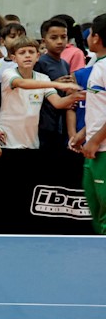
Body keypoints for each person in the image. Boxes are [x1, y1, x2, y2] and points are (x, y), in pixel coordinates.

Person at [0, 36, 83, 150]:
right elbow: (23, 83)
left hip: (32, 141)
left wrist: (76, 96)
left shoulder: (43, 78)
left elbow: (58, 103)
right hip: (7, 140)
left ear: (38, 56)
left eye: (31, 52)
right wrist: (57, 84)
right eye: (22, 53)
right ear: (14, 58)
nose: (27, 55)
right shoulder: (9, 73)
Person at [69, 13, 106, 233]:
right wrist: (84, 134)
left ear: (97, 38)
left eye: (91, 33)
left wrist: (95, 140)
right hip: (94, 148)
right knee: (97, 211)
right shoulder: (98, 66)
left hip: (103, 150)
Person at [34, 18, 75, 150]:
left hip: (60, 123)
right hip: (43, 123)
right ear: (44, 41)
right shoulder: (40, 63)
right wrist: (53, 84)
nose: (59, 41)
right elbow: (32, 90)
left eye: (63, 37)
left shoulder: (65, 64)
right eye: (54, 37)